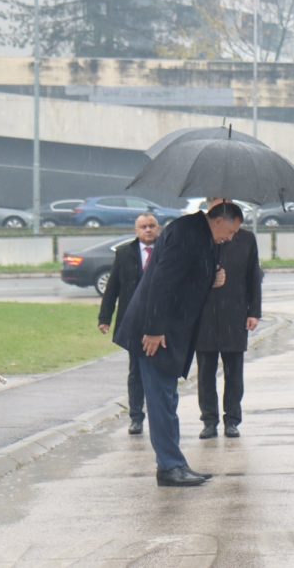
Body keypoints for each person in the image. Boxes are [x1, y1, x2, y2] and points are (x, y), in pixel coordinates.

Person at [115, 202, 243, 487]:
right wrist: (154, 329)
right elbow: (162, 280)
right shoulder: (186, 233)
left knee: (168, 398)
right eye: (232, 230)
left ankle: (174, 463)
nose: (231, 237)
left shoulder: (201, 234)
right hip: (155, 332)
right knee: (161, 400)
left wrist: (213, 278)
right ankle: (169, 467)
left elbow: (187, 278)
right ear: (220, 220)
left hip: (168, 331)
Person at [196, 198, 263, 439]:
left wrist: (254, 310)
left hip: (234, 312)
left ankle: (232, 419)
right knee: (205, 372)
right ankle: (209, 419)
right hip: (204, 313)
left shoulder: (246, 239)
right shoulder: (200, 237)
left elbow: (254, 275)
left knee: (234, 371)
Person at [98, 212, 160, 435]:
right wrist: (105, 318)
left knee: (160, 372)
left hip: (161, 322)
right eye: (143, 226)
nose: (148, 230)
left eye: (152, 226)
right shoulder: (125, 253)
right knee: (136, 371)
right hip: (133, 321)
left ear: (158, 228)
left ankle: (160, 416)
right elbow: (112, 287)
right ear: (136, 230)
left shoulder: (167, 250)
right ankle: (136, 417)